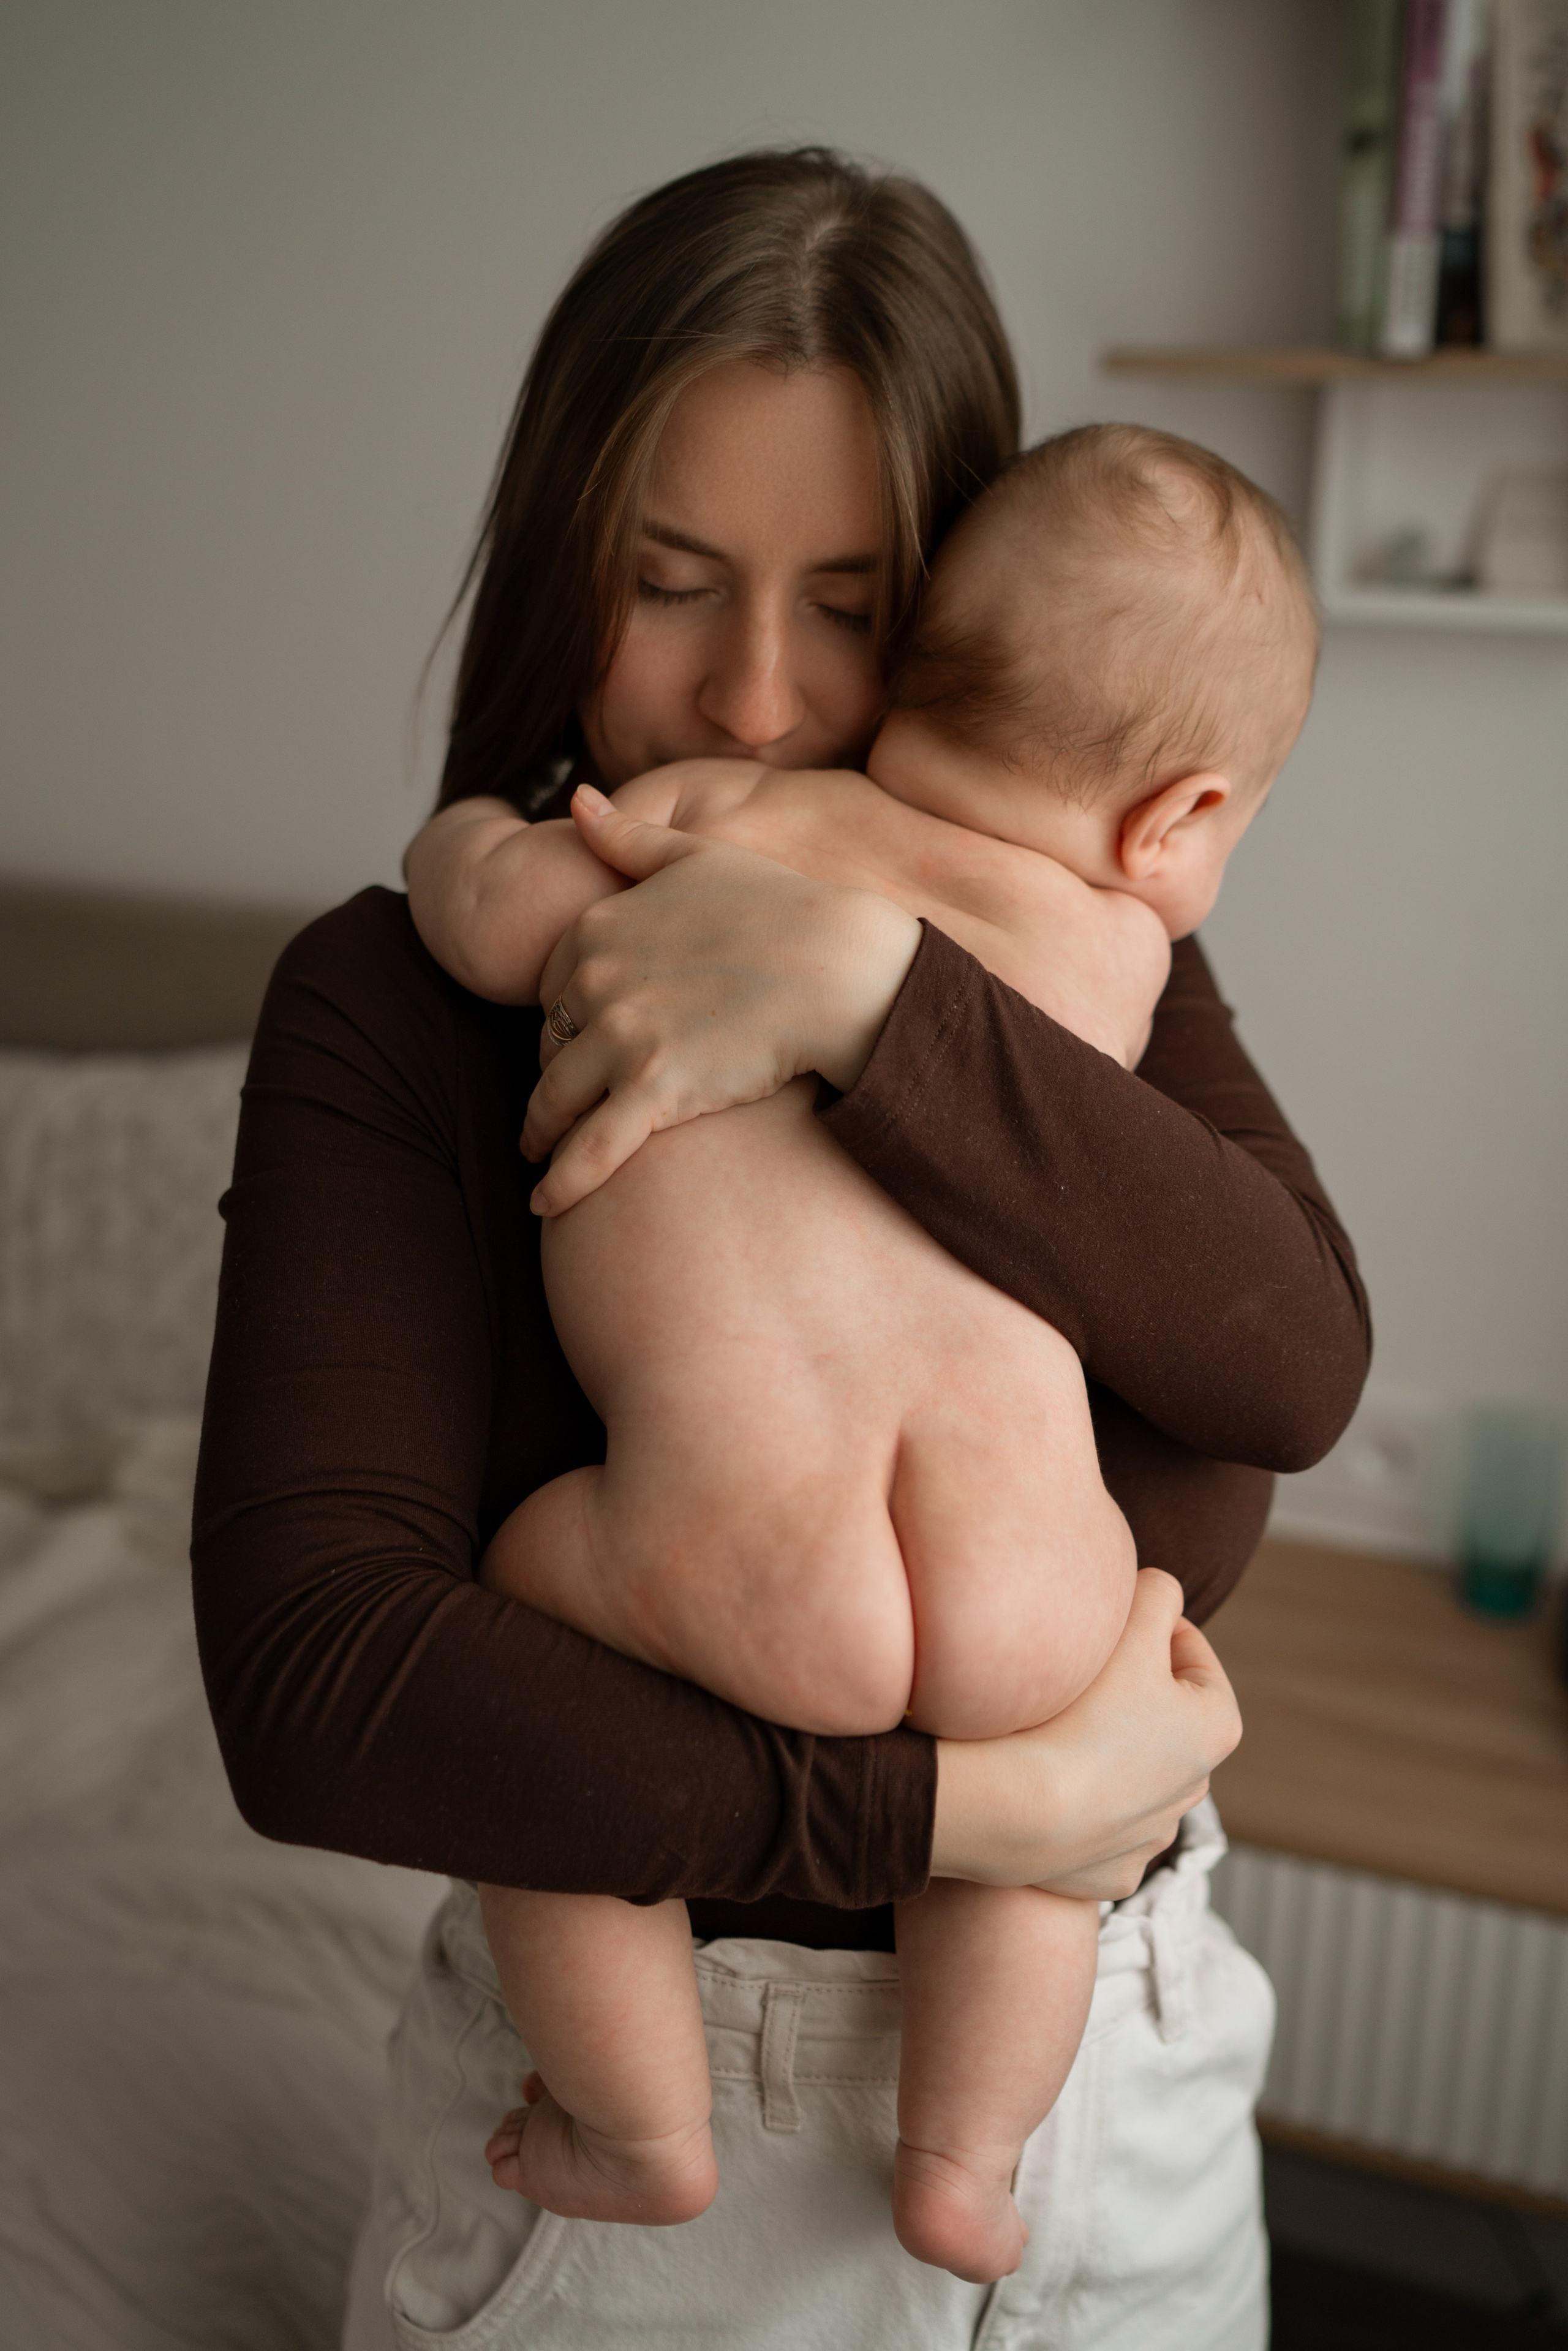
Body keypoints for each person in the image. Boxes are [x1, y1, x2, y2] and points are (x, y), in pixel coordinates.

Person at [191, 149, 1369, 2350]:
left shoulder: (1044, 942)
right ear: (563, 561)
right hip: (657, 2203)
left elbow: (1286, 1375)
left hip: (1119, 2103)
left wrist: (864, 1001)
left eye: (851, 602)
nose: (750, 699)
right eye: (669, 581)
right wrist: (963, 1805)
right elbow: (324, 1683)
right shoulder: (395, 1009)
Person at [400, 421, 1319, 2290]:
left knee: (514, 1606)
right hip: (1029, 1582)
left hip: (743, 1552)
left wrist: (469, 845)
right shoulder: (1117, 967)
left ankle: (634, 2124)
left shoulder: (729, 835)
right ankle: (969, 2165)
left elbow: (504, 922)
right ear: (1181, 820)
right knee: (1038, 1835)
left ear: (908, 653)